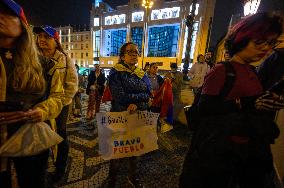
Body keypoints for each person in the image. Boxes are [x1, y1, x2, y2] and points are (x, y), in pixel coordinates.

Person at [179, 12, 283, 188]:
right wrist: (247, 102)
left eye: (270, 43)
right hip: (219, 155)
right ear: (242, 39)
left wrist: (265, 100)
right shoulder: (222, 70)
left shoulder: (252, 71)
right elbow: (204, 108)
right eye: (259, 42)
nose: (265, 48)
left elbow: (252, 102)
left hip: (244, 154)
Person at [0, 0, 64, 187]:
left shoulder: (44, 64)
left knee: (32, 181)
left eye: (8, 14)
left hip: (31, 134)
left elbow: (59, 96)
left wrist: (41, 112)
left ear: (22, 24)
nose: (1, 18)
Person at [33, 25, 78, 182]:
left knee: (60, 136)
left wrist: (61, 103)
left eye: (47, 37)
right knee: (40, 137)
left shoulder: (65, 59)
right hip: (38, 106)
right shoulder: (33, 56)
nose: (42, 40)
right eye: (40, 37)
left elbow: (72, 84)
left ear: (56, 41)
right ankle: (40, 169)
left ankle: (60, 169)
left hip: (61, 105)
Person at [108, 42, 151, 187]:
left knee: (136, 149)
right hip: (121, 116)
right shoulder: (115, 72)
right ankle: (112, 180)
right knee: (117, 151)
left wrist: (136, 102)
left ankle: (133, 178)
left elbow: (149, 93)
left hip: (138, 116)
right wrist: (140, 98)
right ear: (122, 56)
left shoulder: (142, 73)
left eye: (136, 52)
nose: (134, 54)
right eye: (130, 51)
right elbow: (120, 96)